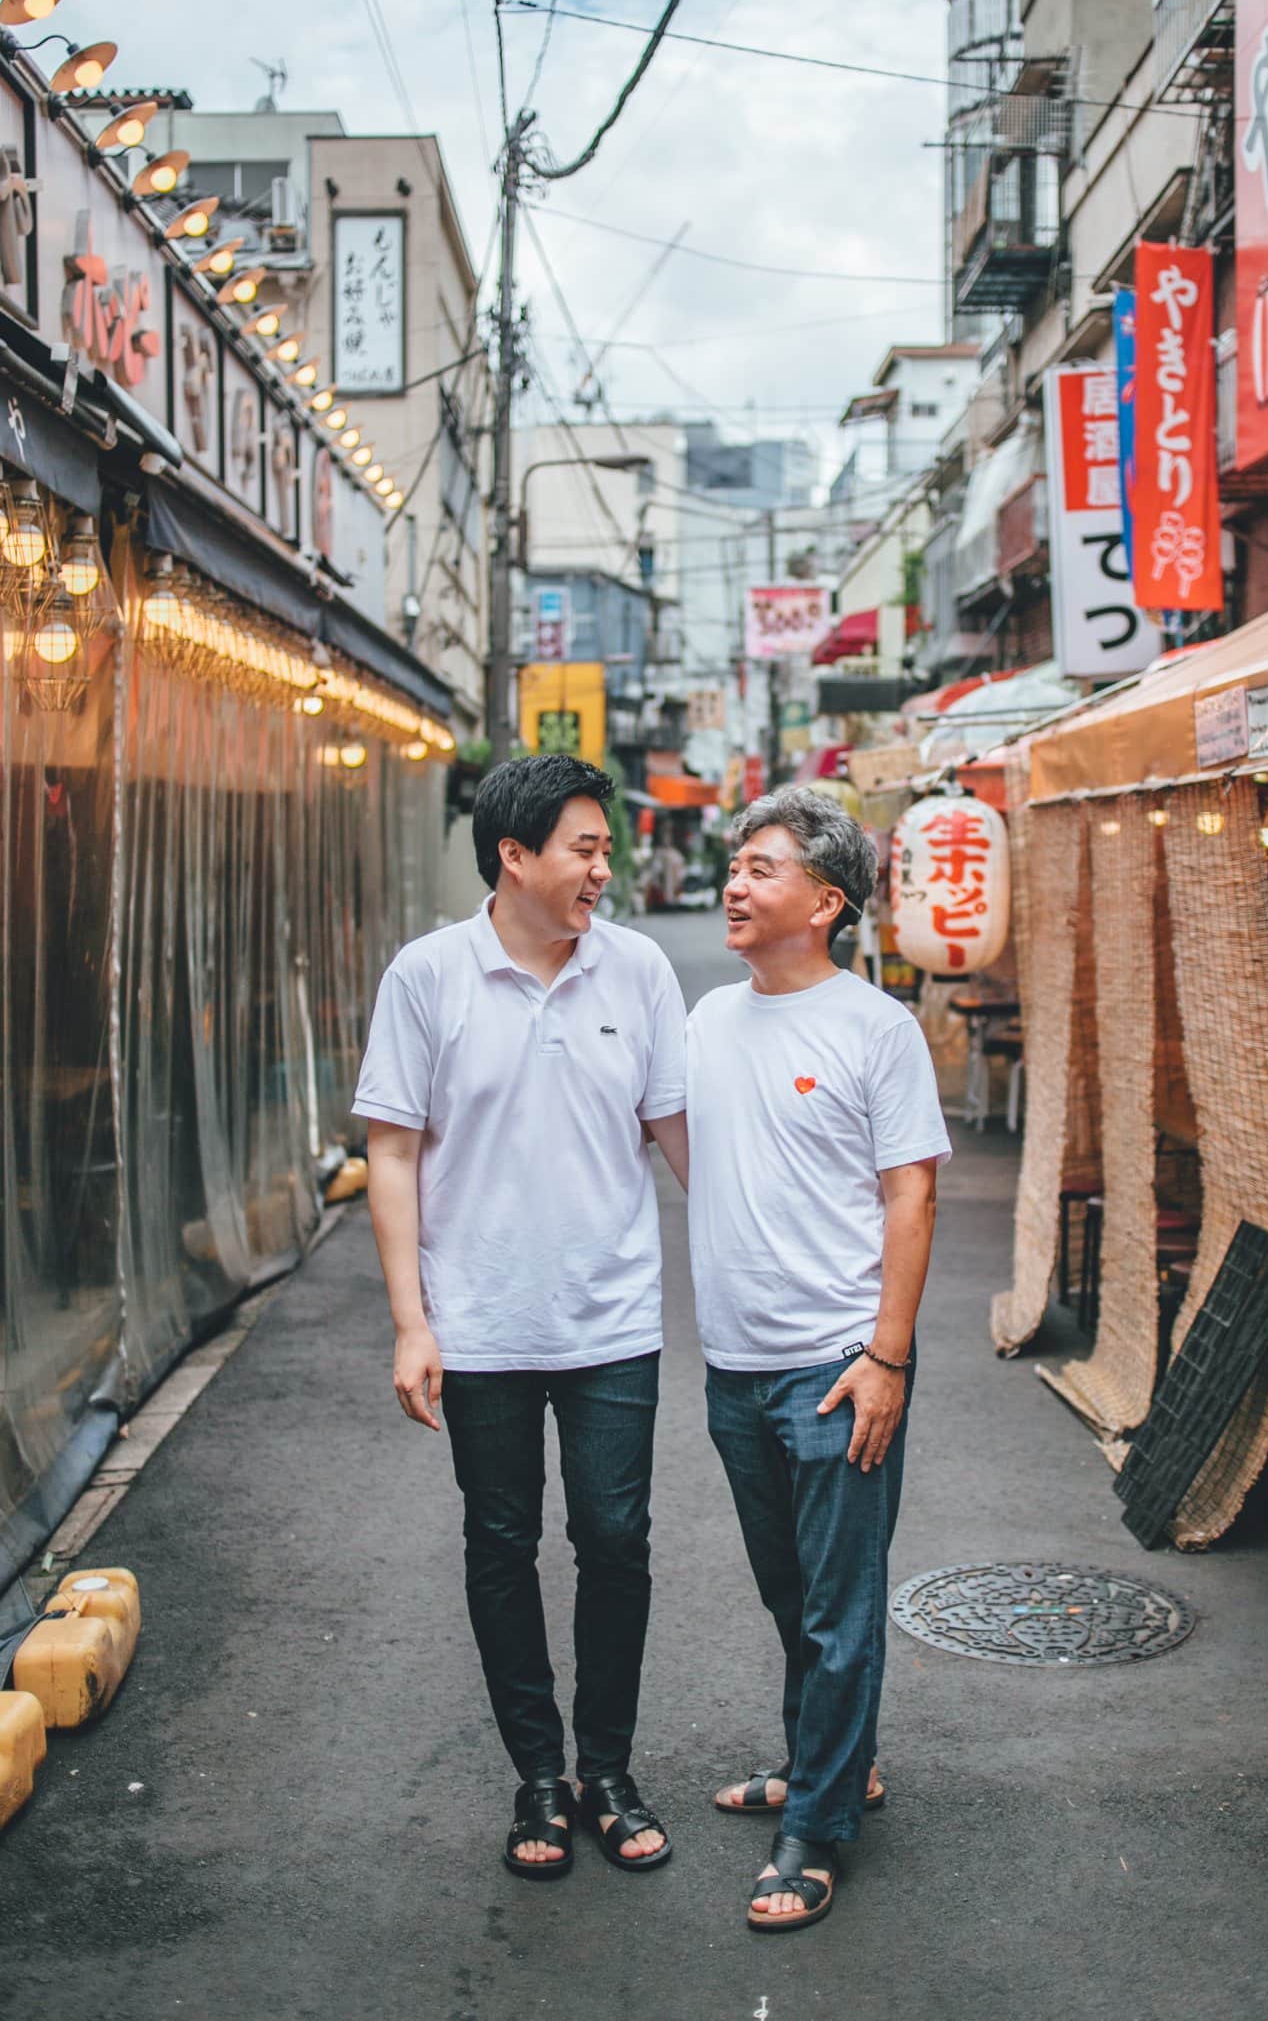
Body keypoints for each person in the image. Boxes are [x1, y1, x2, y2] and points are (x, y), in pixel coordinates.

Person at [352, 754, 689, 1884]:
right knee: (500, 1546)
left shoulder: (637, 971)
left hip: (612, 1321)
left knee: (615, 1543)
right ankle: (537, 1776)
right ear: (515, 855)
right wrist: (412, 1323)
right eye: (585, 847)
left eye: (604, 847)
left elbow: (683, 1142)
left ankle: (607, 1769)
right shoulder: (429, 976)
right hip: (482, 1319)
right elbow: (391, 1152)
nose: (605, 866)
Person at [686, 786, 949, 1933]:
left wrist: (887, 1357)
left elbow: (913, 1194)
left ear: (827, 901)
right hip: (734, 1364)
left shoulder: (874, 1029)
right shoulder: (702, 1022)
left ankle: (818, 1828)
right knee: (792, 1596)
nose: (735, 886)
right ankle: (831, 1763)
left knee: (842, 1610)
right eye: (735, 867)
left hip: (839, 1363)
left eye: (762, 869)